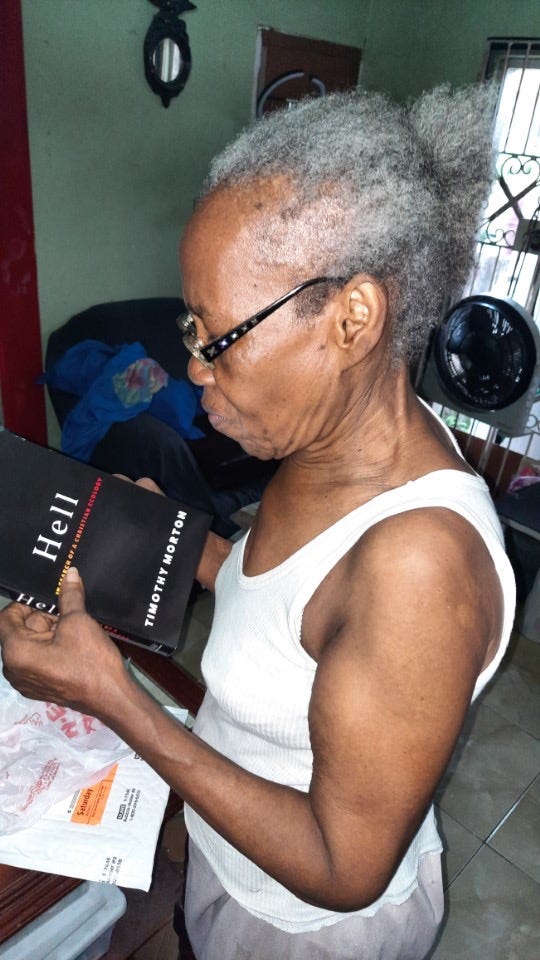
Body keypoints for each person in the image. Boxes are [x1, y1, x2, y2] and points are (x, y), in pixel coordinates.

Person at [0, 85, 515, 960]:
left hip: (299, 930)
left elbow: (343, 867)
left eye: (217, 338)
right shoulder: (323, 448)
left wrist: (114, 697)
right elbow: (289, 597)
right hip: (230, 854)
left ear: (352, 318)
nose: (194, 369)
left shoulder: (420, 567)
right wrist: (176, 542)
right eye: (189, 326)